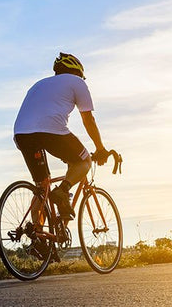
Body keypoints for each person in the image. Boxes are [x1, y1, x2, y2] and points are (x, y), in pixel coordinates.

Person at [14, 53, 110, 221]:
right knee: (84, 160)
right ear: (78, 72)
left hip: (22, 133)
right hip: (50, 131)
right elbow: (88, 120)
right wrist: (100, 148)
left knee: (42, 188)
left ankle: (39, 238)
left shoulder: (39, 84)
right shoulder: (77, 82)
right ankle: (63, 190)